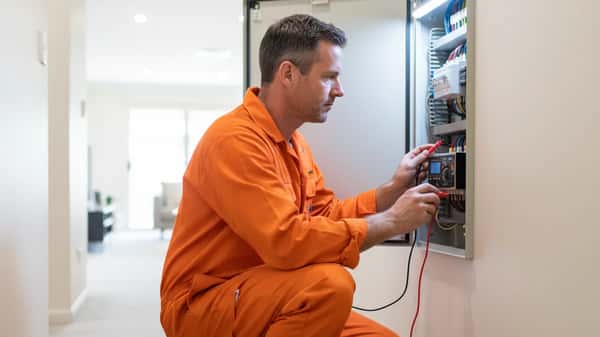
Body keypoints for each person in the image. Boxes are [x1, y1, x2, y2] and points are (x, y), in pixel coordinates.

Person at [160, 14, 441, 337]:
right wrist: (390, 222)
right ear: (288, 74)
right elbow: (287, 241)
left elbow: (324, 215)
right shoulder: (234, 140)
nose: (339, 91)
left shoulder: (294, 142)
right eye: (329, 77)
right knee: (328, 285)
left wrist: (390, 191)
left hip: (271, 292)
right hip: (203, 305)